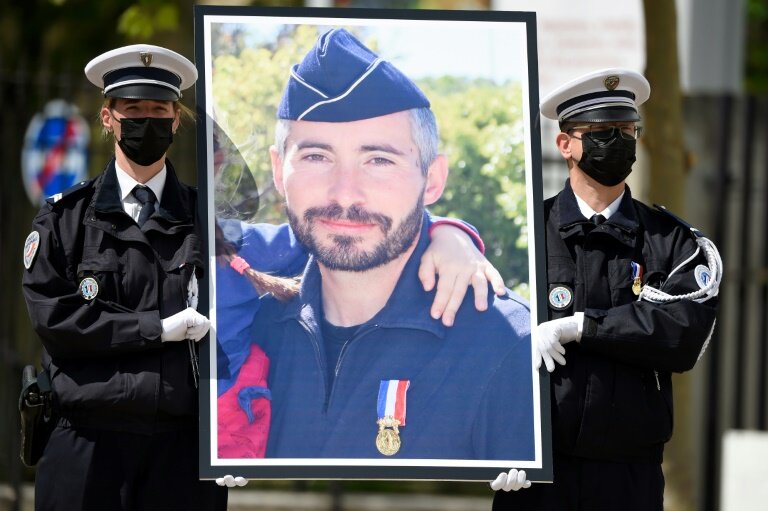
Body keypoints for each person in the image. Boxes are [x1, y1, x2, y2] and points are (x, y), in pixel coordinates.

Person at [218, 28, 536, 464]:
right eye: (316, 157)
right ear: (277, 170)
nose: (345, 194)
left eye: (379, 160)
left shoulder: (507, 347)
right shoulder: (258, 329)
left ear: (433, 179)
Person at [492, 68, 721, 509]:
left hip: (628, 477)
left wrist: (583, 326)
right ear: (565, 144)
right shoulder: (523, 233)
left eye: (627, 130)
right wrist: (494, 444)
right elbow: (484, 343)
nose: (618, 142)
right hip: (537, 474)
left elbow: (680, 333)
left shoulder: (672, 241)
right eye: (601, 132)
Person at [21, 44, 229, 510]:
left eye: (159, 110)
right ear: (108, 117)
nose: (146, 121)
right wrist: (156, 329)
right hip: (88, 446)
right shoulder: (64, 220)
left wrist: (239, 440)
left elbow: (244, 320)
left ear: (176, 119)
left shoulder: (209, 220)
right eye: (132, 109)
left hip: (184, 452)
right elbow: (56, 319)